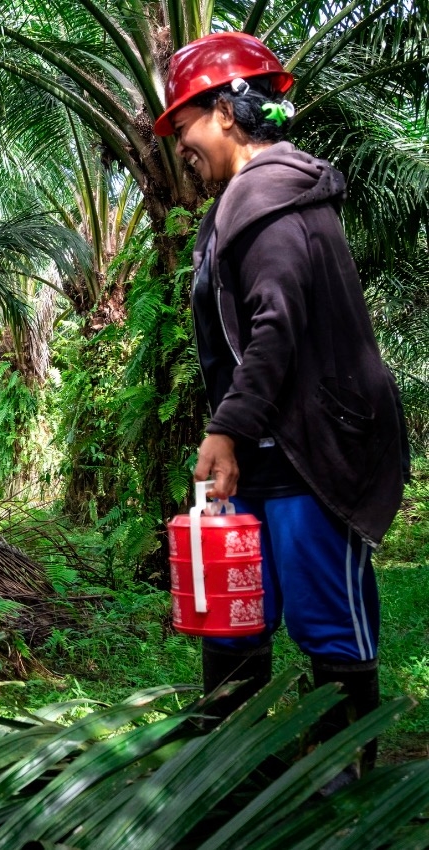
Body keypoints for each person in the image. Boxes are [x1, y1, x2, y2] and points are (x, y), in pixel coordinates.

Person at [154, 32, 409, 776]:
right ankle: (234, 779)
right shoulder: (239, 202)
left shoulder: (269, 192)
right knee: (232, 614)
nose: (181, 150)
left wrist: (226, 430)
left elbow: (277, 326)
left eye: (186, 128)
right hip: (263, 451)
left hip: (309, 454)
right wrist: (235, 437)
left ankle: (351, 780)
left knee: (328, 620)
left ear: (228, 113)